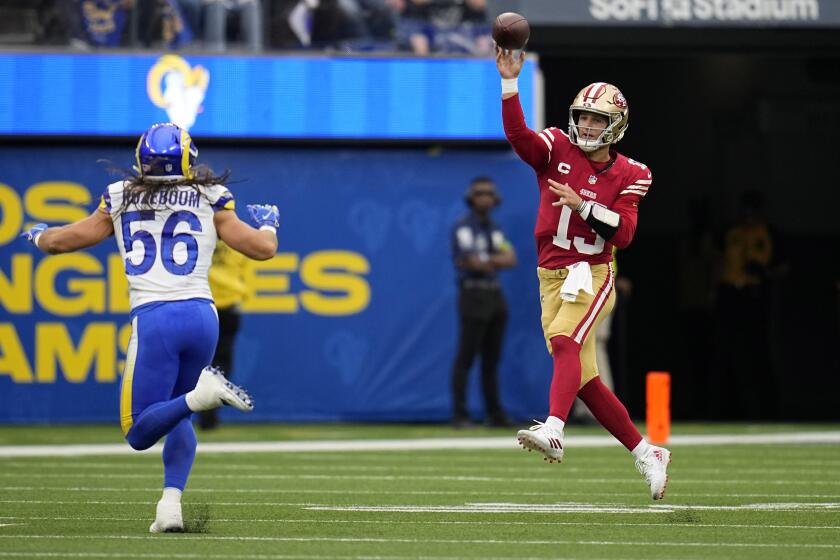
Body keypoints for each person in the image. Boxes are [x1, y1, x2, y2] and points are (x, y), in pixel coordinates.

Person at [19, 122, 279, 531]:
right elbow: (263, 249)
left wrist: (37, 236)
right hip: (202, 315)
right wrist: (268, 223)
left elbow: (61, 242)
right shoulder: (211, 196)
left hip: (156, 316)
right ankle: (169, 508)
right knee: (177, 415)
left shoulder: (120, 197)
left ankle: (201, 396)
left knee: (137, 430)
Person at [495, 48, 672, 500]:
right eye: (584, 118)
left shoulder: (633, 172)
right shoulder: (557, 146)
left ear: (615, 125)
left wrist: (584, 205)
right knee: (587, 381)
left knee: (564, 340)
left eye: (596, 120)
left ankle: (554, 427)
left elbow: (626, 234)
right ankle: (647, 452)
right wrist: (510, 84)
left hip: (592, 271)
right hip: (550, 274)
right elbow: (519, 137)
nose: (588, 126)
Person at [450, 177, 517, 428]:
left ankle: (495, 413)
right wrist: (492, 260)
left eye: (489, 193)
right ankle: (460, 413)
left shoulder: (495, 229)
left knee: (492, 357)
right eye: (480, 193)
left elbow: (511, 258)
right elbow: (469, 261)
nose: (485, 198)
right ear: (471, 197)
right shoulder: (464, 227)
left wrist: (485, 260)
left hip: (494, 293)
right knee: (466, 356)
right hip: (473, 293)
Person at [198, 239, 249, 430]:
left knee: (198, 361)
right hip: (228, 303)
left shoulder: (197, 232)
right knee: (222, 363)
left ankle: (197, 412)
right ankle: (209, 415)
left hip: (203, 303)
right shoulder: (235, 237)